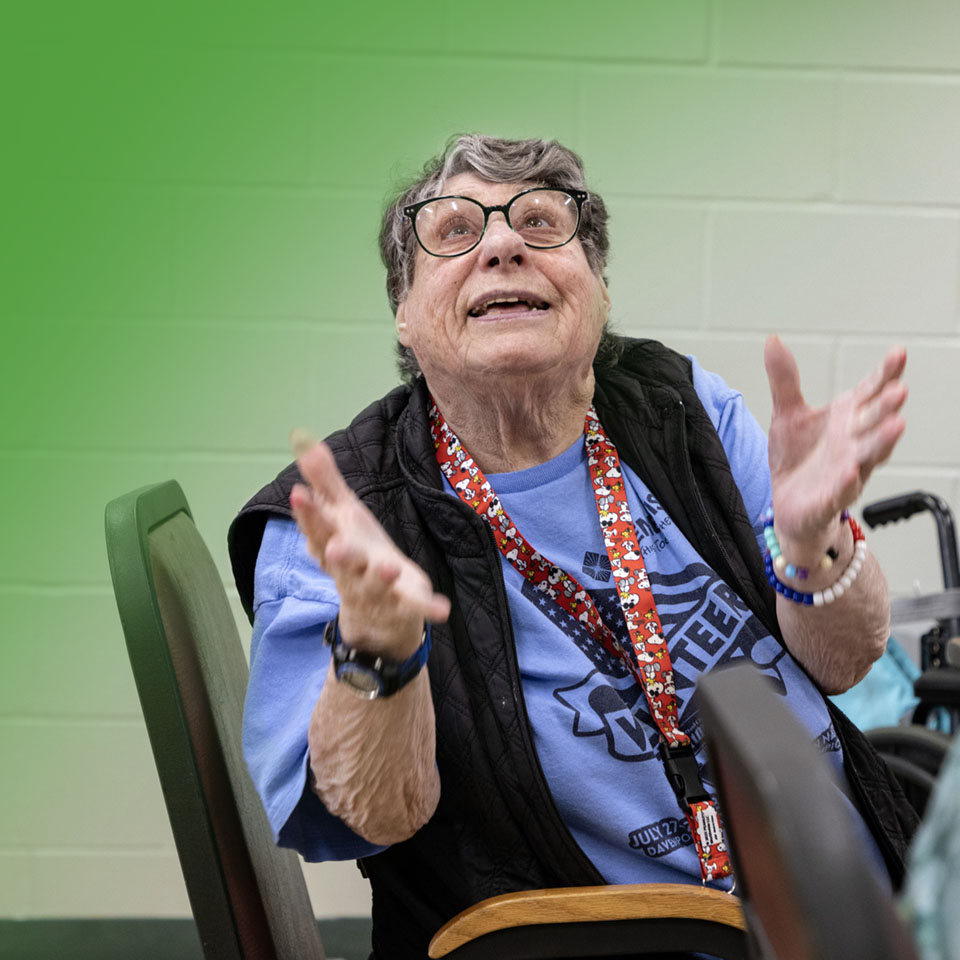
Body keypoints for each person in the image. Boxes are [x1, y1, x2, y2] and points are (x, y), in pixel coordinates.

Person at [228, 134, 917, 958]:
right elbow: (372, 814)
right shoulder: (343, 515)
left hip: (872, 900)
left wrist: (813, 547)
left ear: (596, 290)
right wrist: (379, 651)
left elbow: (844, 664)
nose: (503, 244)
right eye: (452, 231)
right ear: (404, 315)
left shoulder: (684, 407)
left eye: (541, 222)